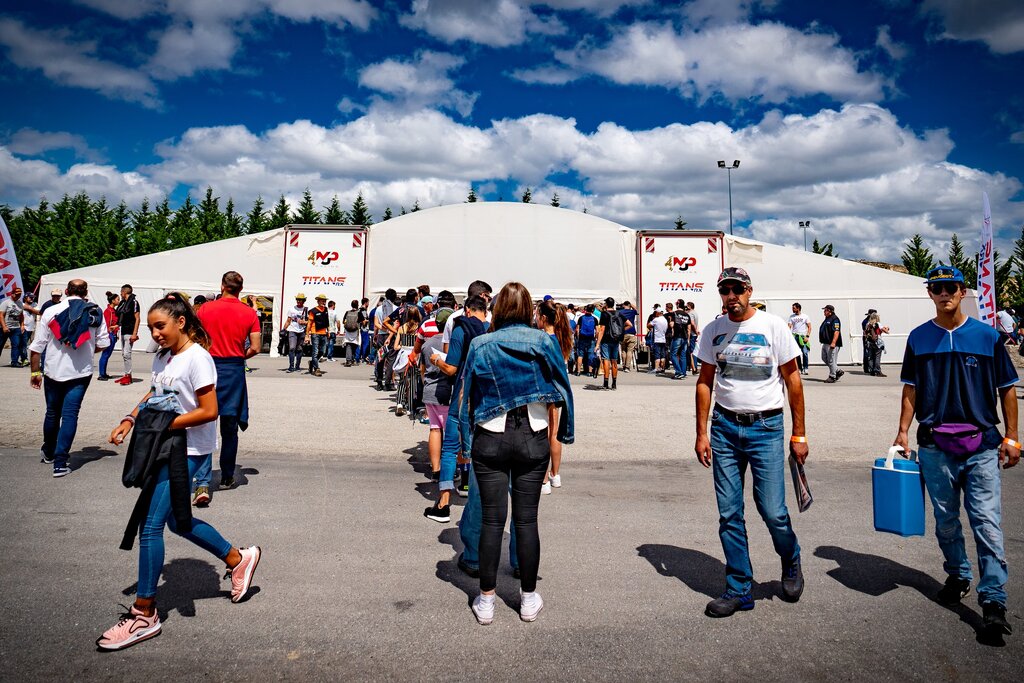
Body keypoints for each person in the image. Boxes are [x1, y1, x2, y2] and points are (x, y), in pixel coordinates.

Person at [100, 293, 260, 650]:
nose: (155, 333)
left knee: (152, 526)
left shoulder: (198, 359)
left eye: (161, 326)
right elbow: (154, 395)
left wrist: (164, 426)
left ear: (181, 322)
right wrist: (130, 419)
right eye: (153, 327)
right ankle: (238, 558)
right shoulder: (164, 358)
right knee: (178, 523)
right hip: (167, 445)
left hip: (186, 451)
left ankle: (144, 613)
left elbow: (209, 410)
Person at [894, 265, 1018, 639]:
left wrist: (1012, 437)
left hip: (981, 445)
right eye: (937, 288)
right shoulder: (918, 338)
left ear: (963, 292)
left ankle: (993, 600)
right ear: (929, 293)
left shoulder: (988, 337)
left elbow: (1007, 388)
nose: (944, 293)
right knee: (946, 521)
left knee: (986, 523)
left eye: (950, 287)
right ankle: (958, 575)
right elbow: (910, 388)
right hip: (934, 445)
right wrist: (902, 431)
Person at [456, 282, 574, 625]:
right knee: (526, 520)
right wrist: (563, 433)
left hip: (490, 436)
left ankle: (486, 600)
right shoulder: (544, 342)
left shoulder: (480, 343)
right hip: (532, 435)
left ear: (498, 308)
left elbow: (466, 395)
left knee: (493, 521)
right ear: (528, 311)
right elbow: (562, 387)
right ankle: (527, 598)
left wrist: (465, 443)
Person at [694, 267, 807, 617]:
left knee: (773, 510)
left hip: (766, 429)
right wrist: (701, 433)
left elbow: (794, 381)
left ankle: (790, 559)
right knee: (729, 513)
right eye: (725, 290)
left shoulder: (773, 326)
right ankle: (739, 587)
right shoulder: (713, 331)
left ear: (749, 290)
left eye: (737, 289)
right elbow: (704, 382)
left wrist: (799, 433)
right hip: (725, 429)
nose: (732, 296)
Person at [28, 279, 110, 476]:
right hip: (80, 372)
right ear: (86, 292)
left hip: (52, 371)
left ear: (66, 291)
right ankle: (60, 463)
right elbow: (104, 343)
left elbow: (37, 346)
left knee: (52, 413)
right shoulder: (95, 312)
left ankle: (48, 452)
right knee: (70, 415)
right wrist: (88, 350)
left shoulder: (50, 311)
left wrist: (35, 372)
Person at [425, 294, 490, 523]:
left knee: (451, 446)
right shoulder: (491, 331)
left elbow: (451, 369)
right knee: (477, 447)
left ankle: (443, 504)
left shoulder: (461, 329)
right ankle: (475, 500)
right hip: (485, 397)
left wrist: (435, 361)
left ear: (467, 310)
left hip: (462, 395)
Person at [196, 271, 261, 497]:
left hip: (208, 366)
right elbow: (255, 346)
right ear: (241, 289)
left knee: (204, 424)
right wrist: (240, 355)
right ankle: (226, 474)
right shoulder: (250, 313)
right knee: (229, 427)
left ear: (222, 285)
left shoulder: (205, 309)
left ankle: (203, 481)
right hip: (234, 369)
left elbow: (194, 338)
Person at [537, 299, 573, 494]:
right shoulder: (563, 337)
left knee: (543, 432)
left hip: (545, 387)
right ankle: (555, 474)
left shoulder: (544, 339)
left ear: (544, 318)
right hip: (559, 388)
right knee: (555, 431)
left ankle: (543, 480)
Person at [595, 297, 631, 390]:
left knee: (606, 360)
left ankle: (606, 383)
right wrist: (621, 331)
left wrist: (597, 343)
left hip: (606, 339)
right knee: (614, 360)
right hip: (615, 339)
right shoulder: (619, 313)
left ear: (606, 304)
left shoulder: (604, 314)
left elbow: (602, 330)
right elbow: (629, 324)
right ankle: (614, 383)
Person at [114, 283, 141, 385]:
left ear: (124, 292)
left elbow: (137, 318)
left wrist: (135, 333)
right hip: (124, 331)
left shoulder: (134, 302)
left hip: (130, 331)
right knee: (124, 354)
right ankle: (126, 375)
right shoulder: (123, 303)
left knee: (127, 354)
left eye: (121, 292)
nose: (120, 294)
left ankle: (128, 376)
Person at [98, 291, 121, 380]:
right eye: (117, 299)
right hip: (109, 334)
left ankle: (104, 373)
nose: (119, 301)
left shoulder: (114, 311)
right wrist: (109, 333)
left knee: (107, 354)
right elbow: (107, 324)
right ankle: (101, 374)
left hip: (113, 334)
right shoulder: (108, 311)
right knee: (105, 354)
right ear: (112, 301)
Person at [0, 285, 25, 367]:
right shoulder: (6, 303)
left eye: (20, 294)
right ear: (12, 294)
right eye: (17, 294)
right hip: (5, 327)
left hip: (15, 328)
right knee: (0, 344)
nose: (18, 295)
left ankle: (14, 362)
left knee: (16, 345)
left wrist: (22, 325)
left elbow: (21, 315)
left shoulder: (20, 303)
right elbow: (1, 315)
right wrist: (4, 326)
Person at [283, 293, 308, 373]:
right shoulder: (292, 309)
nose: (298, 301)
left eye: (300, 300)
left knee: (300, 349)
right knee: (292, 348)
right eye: (297, 299)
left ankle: (297, 366)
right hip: (292, 331)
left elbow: (309, 322)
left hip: (302, 331)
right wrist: (284, 329)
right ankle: (291, 366)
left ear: (303, 301)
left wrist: (304, 322)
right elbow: (288, 320)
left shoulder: (306, 310)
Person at [819, 304, 844, 383]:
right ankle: (838, 370)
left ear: (829, 311)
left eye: (825, 310)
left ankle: (832, 376)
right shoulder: (827, 319)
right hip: (825, 343)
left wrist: (833, 343)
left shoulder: (835, 319)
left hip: (832, 344)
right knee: (824, 358)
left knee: (831, 360)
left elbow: (836, 331)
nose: (824, 311)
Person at [307, 295, 330, 377]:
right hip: (315, 333)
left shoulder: (326, 310)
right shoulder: (313, 311)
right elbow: (309, 324)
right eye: (322, 301)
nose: (324, 302)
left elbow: (327, 321)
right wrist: (307, 335)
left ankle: (312, 362)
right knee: (315, 351)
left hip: (324, 333)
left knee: (323, 351)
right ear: (318, 301)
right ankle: (316, 369)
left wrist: (328, 331)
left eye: (325, 301)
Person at [670, 299, 693, 380]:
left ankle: (679, 372)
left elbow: (672, 325)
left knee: (673, 354)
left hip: (677, 336)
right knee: (683, 355)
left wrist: (671, 322)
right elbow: (689, 328)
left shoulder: (675, 313)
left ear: (677, 304)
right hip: (685, 337)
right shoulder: (687, 315)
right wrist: (688, 339)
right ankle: (683, 372)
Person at [863, 312, 889, 377]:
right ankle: (877, 370)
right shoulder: (878, 324)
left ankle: (872, 370)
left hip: (870, 342)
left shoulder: (868, 324)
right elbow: (886, 331)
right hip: (877, 342)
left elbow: (865, 332)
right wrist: (887, 329)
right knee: (877, 356)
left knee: (871, 357)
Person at [787, 303, 811, 376]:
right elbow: (789, 326)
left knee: (805, 352)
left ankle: (806, 368)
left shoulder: (805, 316)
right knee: (797, 353)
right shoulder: (792, 317)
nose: (792, 309)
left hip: (803, 336)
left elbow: (809, 327)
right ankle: (800, 368)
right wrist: (788, 335)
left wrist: (807, 336)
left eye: (794, 308)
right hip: (795, 336)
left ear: (798, 308)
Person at [575, 304, 597, 377]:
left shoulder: (581, 318)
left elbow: (577, 329)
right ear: (592, 310)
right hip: (591, 339)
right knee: (590, 355)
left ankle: (578, 371)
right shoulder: (594, 319)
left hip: (582, 338)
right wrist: (595, 338)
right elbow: (597, 331)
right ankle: (590, 372)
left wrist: (578, 337)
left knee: (580, 355)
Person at [646, 307, 668, 374]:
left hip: (657, 339)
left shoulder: (656, 319)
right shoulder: (665, 320)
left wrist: (651, 326)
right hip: (663, 339)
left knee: (657, 354)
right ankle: (662, 368)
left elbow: (648, 325)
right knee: (663, 355)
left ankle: (656, 368)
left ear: (658, 312)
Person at [618, 301, 638, 372]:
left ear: (623, 305)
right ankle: (627, 367)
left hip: (623, 332)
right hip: (631, 332)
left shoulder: (620, 312)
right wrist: (631, 304)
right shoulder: (632, 312)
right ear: (629, 305)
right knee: (630, 350)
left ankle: (623, 366)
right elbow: (637, 310)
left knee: (623, 350)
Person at [341, 299, 362, 366]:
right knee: (355, 345)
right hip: (355, 331)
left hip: (348, 331)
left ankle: (348, 360)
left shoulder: (347, 312)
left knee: (348, 345)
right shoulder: (359, 312)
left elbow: (343, 321)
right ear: (357, 305)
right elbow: (363, 321)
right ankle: (355, 360)